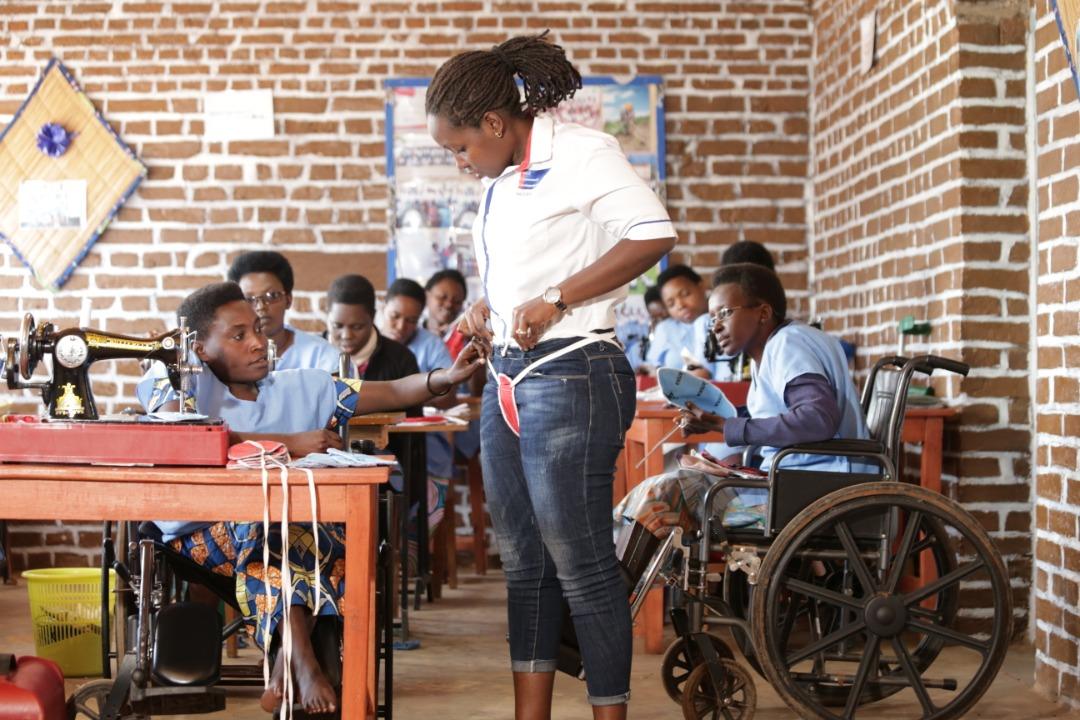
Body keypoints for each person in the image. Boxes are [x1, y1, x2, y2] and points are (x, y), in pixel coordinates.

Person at [427, 31, 675, 718]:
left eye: (461, 147)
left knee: (583, 563)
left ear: (497, 124)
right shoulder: (504, 177)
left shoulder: (581, 154)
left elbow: (652, 233)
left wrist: (558, 299)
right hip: (508, 378)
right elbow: (527, 268)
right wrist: (491, 307)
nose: (460, 161)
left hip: (572, 375)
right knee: (524, 562)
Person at [141, 282, 482, 715]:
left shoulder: (304, 387)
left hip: (287, 534)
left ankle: (291, 657)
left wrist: (445, 378)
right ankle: (298, 659)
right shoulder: (180, 385)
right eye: (238, 335)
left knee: (294, 527)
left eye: (258, 330)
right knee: (276, 525)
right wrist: (291, 442)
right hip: (205, 535)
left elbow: (395, 392)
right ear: (200, 350)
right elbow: (186, 432)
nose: (258, 343)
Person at [615, 263, 869, 537]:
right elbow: (787, 414)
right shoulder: (774, 349)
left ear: (763, 312)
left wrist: (729, 428)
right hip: (801, 481)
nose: (716, 327)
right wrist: (717, 423)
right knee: (677, 487)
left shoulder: (788, 344)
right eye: (712, 319)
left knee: (665, 494)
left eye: (724, 313)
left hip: (819, 488)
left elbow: (817, 419)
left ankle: (614, 575)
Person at [226, 250, 341, 373]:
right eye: (249, 299)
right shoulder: (226, 357)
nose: (260, 307)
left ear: (288, 300)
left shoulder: (322, 356)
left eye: (271, 296)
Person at [644, 264, 711, 376]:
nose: (680, 305)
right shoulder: (666, 330)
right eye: (671, 304)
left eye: (685, 294)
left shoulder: (721, 322)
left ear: (701, 286)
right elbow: (651, 368)